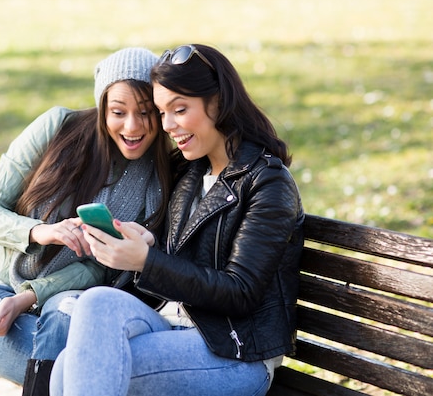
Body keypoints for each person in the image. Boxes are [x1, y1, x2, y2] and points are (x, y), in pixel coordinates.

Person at [50, 44, 305, 396]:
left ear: (217, 102)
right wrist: (149, 245)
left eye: (180, 110)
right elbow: (186, 264)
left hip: (235, 353)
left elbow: (241, 293)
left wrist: (147, 261)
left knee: (83, 365)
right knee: (93, 307)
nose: (168, 125)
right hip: (175, 327)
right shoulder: (188, 173)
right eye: (162, 112)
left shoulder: (267, 182)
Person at [0, 47, 175, 395]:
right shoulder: (57, 128)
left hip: (67, 301)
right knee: (76, 368)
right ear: (102, 109)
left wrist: (31, 297)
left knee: (71, 352)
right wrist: (39, 232)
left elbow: (100, 269)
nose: (133, 126)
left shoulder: (156, 182)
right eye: (118, 112)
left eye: (145, 112)